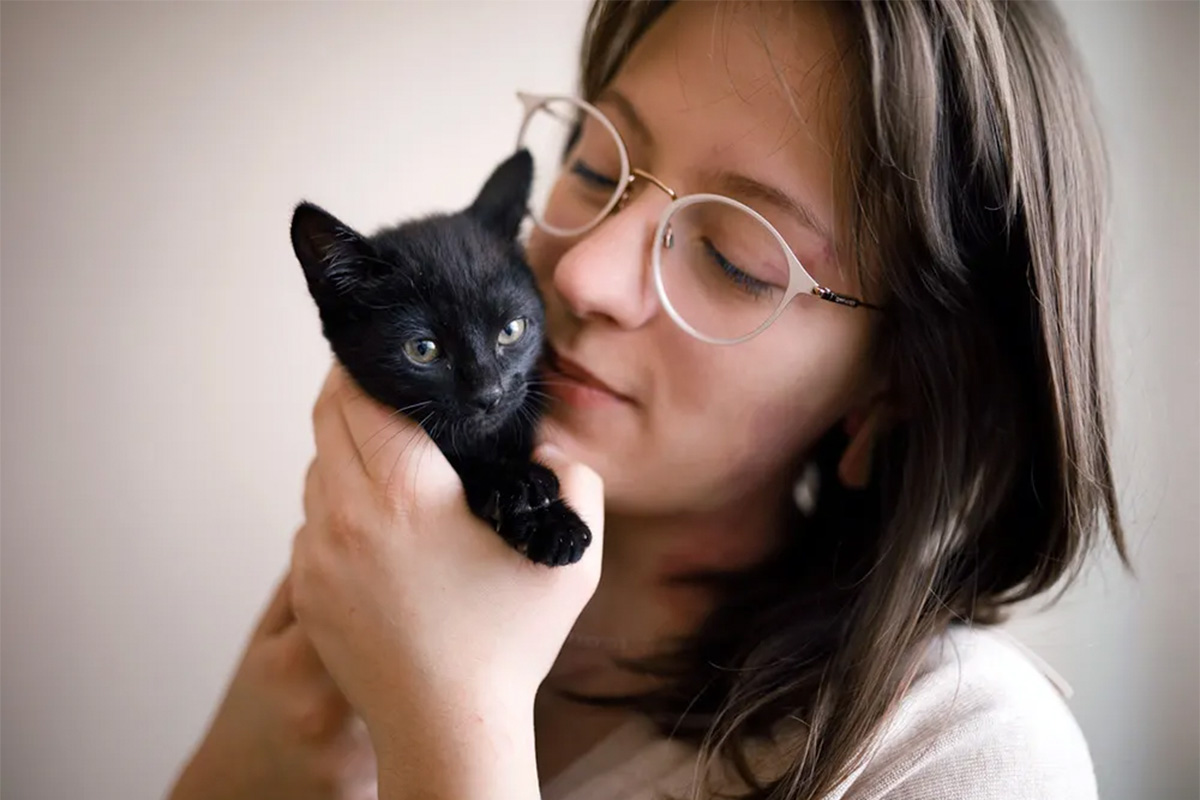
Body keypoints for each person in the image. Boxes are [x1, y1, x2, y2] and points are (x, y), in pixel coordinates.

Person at [167, 1, 1125, 798]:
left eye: (732, 257)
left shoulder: (963, 751)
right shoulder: (334, 623)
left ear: (899, 383)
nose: (583, 274)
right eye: (594, 168)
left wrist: (446, 715)